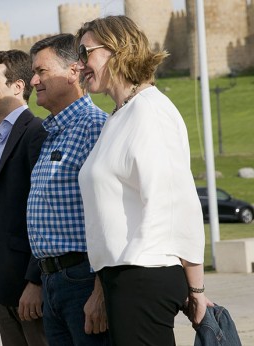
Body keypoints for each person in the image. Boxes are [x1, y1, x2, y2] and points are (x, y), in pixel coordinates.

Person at [75, 15, 212, 344]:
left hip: (145, 272)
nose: (79, 66)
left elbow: (177, 202)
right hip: (123, 276)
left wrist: (197, 290)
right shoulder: (121, 114)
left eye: (85, 53)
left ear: (117, 50)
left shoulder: (150, 112)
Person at [25, 34, 110, 345]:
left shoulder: (94, 128)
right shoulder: (51, 134)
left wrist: (99, 292)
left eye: (42, 71)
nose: (33, 80)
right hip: (53, 282)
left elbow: (107, 217)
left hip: (83, 280)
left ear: (74, 71)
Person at [0, 49, 48, 346]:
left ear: (18, 86)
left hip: (29, 292)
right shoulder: (2, 138)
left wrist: (35, 281)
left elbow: (42, 213)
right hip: (5, 294)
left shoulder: (36, 133)